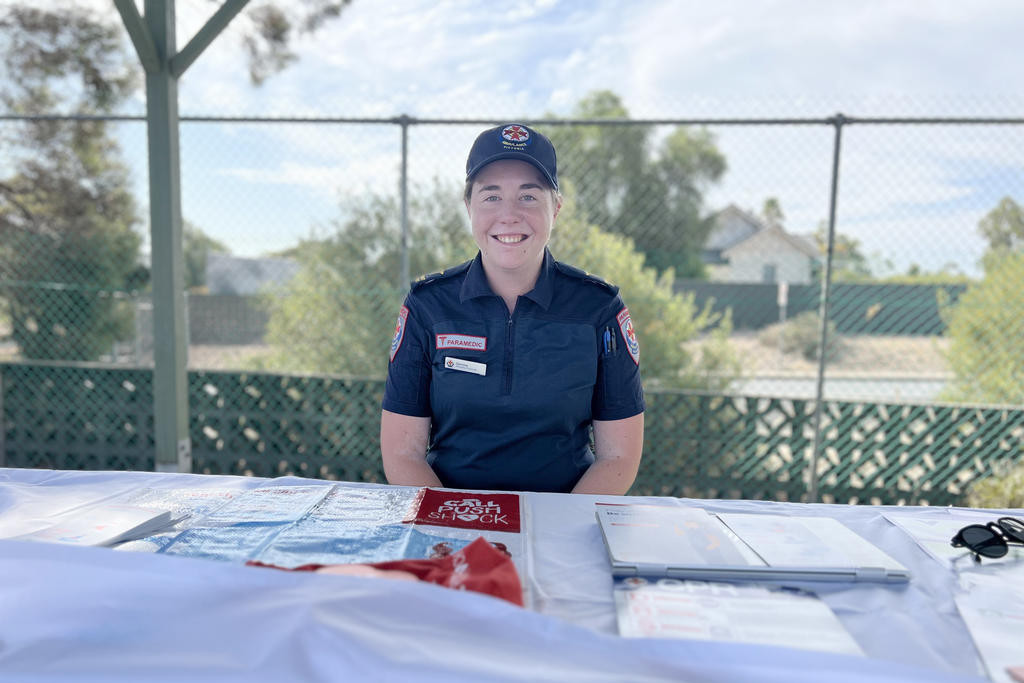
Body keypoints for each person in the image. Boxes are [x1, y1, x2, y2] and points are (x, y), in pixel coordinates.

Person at [380, 123, 644, 494]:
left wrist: (557, 532)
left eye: (529, 197)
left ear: (557, 208)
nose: (509, 215)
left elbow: (618, 459)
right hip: (450, 520)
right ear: (468, 206)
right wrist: (457, 526)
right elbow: (402, 453)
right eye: (491, 197)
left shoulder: (599, 308)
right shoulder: (428, 305)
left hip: (565, 521)